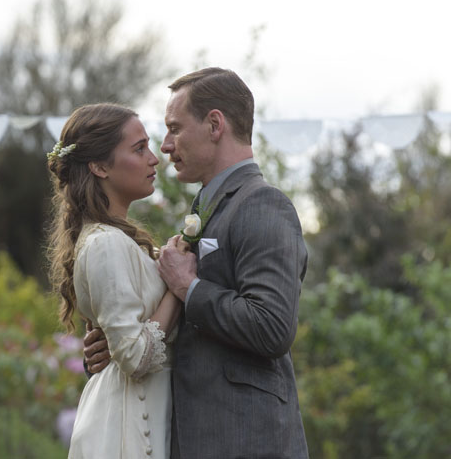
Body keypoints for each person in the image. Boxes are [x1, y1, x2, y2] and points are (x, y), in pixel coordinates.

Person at [84, 68, 309, 458]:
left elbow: (272, 327)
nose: (166, 146)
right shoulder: (206, 209)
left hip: (246, 444)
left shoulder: (263, 204)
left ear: (215, 124)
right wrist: (120, 343)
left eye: (174, 128)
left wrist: (190, 288)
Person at [46, 102, 181, 459]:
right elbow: (135, 356)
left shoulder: (120, 241)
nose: (154, 159)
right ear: (100, 166)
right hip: (126, 427)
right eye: (139, 149)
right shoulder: (105, 244)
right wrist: (179, 289)